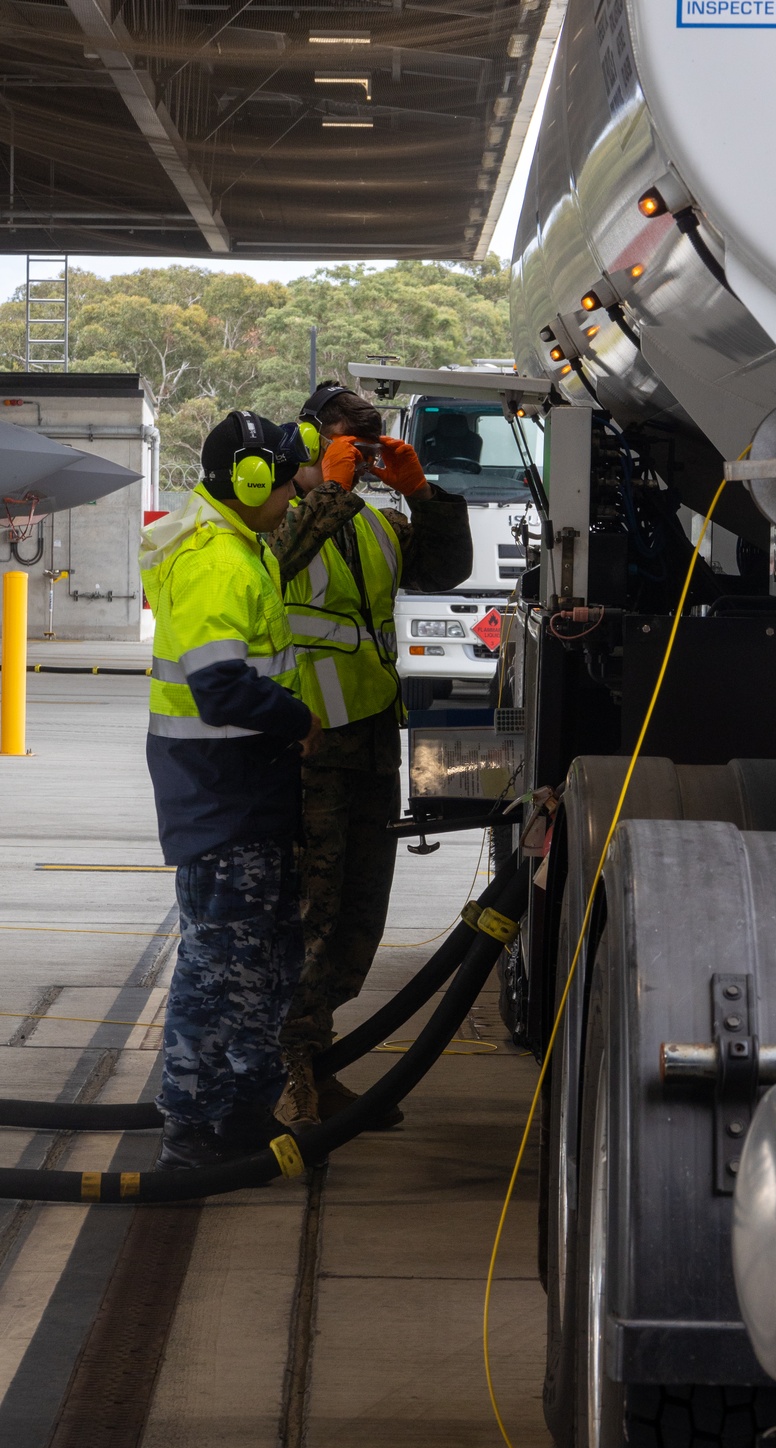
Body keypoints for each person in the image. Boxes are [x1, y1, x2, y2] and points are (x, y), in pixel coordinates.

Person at [266, 383, 473, 1129]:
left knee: (357, 920)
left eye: (369, 443)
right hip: (309, 746)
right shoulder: (276, 519)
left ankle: (315, 1065)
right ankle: (285, 1077)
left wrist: (424, 495)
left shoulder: (379, 525)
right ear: (310, 443)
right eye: (346, 441)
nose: (359, 455)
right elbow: (275, 574)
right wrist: (333, 489)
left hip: (373, 742)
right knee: (307, 920)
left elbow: (444, 570)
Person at [140, 411, 323, 1170]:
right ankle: (192, 1128)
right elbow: (220, 687)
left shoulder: (237, 547)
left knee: (255, 964)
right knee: (219, 968)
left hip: (244, 793)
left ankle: (240, 1111)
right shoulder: (218, 559)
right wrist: (298, 718)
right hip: (225, 797)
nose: (291, 496)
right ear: (251, 480)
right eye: (284, 481)